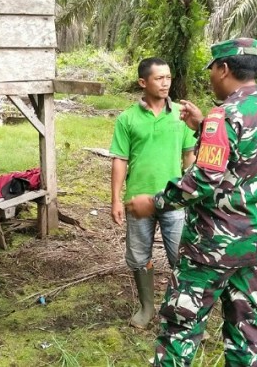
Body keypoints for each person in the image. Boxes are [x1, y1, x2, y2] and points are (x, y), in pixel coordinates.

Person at [127, 38, 257, 366]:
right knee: (245, 328)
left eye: (213, 68)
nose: (211, 76)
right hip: (256, 244)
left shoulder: (223, 115)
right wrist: (202, 128)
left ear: (224, 68)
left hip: (213, 247)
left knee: (180, 328)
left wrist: (155, 203)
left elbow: (203, 179)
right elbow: (246, 161)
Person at [110, 57, 196, 329]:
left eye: (168, 77)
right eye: (159, 78)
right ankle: (147, 308)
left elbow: (189, 156)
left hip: (174, 201)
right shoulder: (128, 118)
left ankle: (184, 313)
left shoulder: (181, 115)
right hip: (138, 200)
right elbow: (120, 160)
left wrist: (189, 190)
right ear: (143, 82)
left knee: (181, 257)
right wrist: (115, 199)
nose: (165, 82)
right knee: (138, 256)